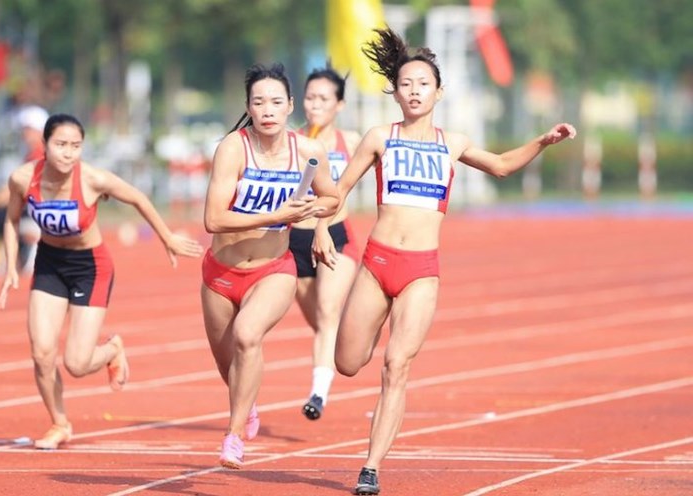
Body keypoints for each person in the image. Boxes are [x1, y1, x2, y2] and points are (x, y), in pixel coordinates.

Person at [312, 27, 577, 495]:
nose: (414, 91)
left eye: (423, 84)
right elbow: (339, 192)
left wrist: (542, 141)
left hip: (420, 272)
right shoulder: (379, 137)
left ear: (439, 92)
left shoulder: (451, 142)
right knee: (349, 362)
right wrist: (319, 228)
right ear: (394, 92)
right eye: (406, 84)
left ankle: (370, 468)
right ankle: (369, 325)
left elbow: (499, 166)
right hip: (376, 265)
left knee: (397, 367)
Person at [0, 113, 204, 450]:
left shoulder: (92, 179)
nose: (68, 153)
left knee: (76, 364)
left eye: (75, 146)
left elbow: (138, 197)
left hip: (89, 267)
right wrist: (9, 266)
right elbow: (11, 218)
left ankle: (112, 349)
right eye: (60, 145)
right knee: (41, 353)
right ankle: (59, 423)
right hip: (49, 264)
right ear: (44, 145)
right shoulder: (22, 178)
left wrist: (166, 237)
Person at [201, 63, 339, 469]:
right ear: (248, 106)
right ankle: (248, 405)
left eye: (276, 101)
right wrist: (274, 213)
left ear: (290, 106)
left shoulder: (308, 152)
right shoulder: (233, 148)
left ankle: (234, 435)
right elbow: (213, 219)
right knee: (228, 365)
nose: (267, 109)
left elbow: (332, 197)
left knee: (248, 336)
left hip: (273, 269)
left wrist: (314, 210)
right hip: (220, 273)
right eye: (259, 102)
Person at [292, 66, 361, 421]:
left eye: (323, 99)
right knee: (320, 321)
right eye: (309, 97)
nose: (315, 105)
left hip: (335, 236)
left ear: (340, 104)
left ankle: (318, 394)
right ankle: (336, 353)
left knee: (328, 311)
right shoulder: (293, 141)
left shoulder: (351, 141)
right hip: (294, 241)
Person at [0, 105, 48, 277]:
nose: (24, 134)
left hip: (44, 209)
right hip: (35, 207)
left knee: (1, 214)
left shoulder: (40, 155)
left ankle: (10, 259)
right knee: (3, 212)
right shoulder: (32, 154)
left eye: (28, 129)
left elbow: (16, 187)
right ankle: (13, 257)